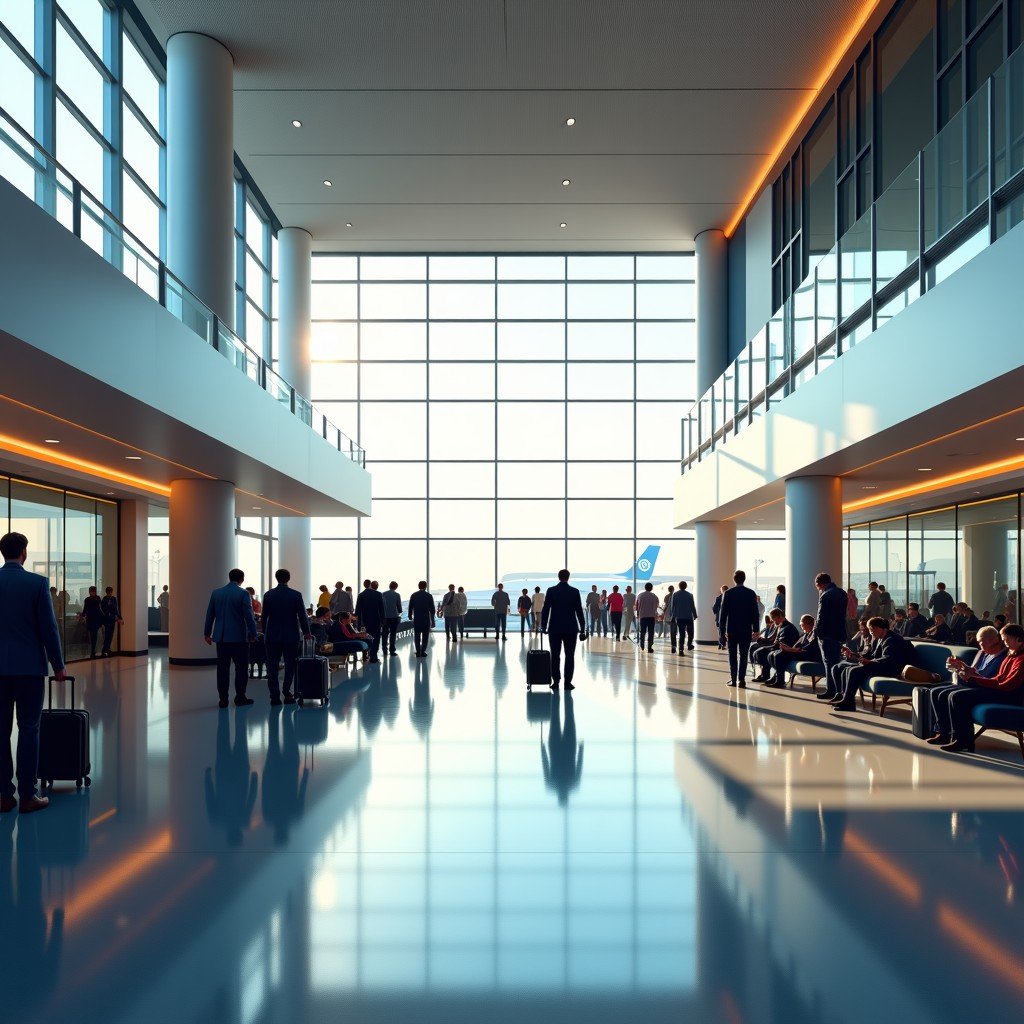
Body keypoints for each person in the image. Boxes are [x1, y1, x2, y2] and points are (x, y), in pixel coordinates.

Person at [0, 532, 66, 814]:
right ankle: (28, 795)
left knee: (0, 732)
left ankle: (4, 796)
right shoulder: (37, 584)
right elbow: (48, 629)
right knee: (29, 728)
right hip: (29, 669)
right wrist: (58, 664)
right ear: (24, 552)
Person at [937, 623, 1024, 752]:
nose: (1004, 642)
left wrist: (976, 680)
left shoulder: (1021, 658)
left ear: (1018, 639)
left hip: (1011, 697)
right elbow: (998, 679)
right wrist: (977, 679)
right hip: (1002, 691)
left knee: (958, 696)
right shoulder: (1012, 654)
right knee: (952, 695)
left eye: (1006, 639)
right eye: (1003, 639)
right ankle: (955, 737)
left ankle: (963, 741)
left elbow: (1007, 685)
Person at [925, 625, 1008, 746]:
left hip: (990, 689)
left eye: (981, 643)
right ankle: (944, 732)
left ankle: (962, 739)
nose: (980, 646)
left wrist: (970, 674)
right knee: (936, 692)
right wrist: (961, 667)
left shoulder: (1004, 656)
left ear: (993, 640)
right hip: (976, 684)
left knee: (956, 696)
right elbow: (973, 671)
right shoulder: (983, 653)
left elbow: (992, 678)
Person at [829, 616, 913, 712]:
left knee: (853, 671)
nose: (870, 632)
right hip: (880, 665)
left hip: (891, 668)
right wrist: (854, 654)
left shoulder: (892, 639)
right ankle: (844, 698)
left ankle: (848, 703)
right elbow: (870, 654)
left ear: (879, 628)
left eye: (871, 629)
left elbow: (889, 659)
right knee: (845, 668)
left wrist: (871, 662)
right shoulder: (879, 638)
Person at [204, 568, 259, 708]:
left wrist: (207, 633)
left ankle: (223, 699)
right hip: (239, 638)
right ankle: (240, 697)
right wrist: (254, 634)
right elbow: (249, 616)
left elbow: (210, 614)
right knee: (241, 669)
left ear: (229, 578)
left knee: (222, 669)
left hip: (221, 638)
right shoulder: (243, 594)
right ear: (242, 579)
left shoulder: (216, 593)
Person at [261, 569, 311, 705]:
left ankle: (274, 697)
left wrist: (264, 633)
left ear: (276, 578)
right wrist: (307, 633)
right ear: (288, 578)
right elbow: (302, 616)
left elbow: (264, 617)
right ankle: (287, 692)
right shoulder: (295, 595)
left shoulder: (268, 595)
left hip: (272, 636)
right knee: (290, 665)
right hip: (291, 636)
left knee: (272, 667)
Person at [541, 569, 587, 690]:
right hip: (571, 628)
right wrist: (583, 628)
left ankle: (555, 682)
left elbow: (546, 610)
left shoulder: (551, 591)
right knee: (570, 655)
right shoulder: (574, 592)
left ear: (558, 577)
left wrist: (543, 626)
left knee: (555, 655)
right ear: (568, 577)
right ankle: (568, 682)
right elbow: (579, 611)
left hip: (554, 628)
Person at [718, 571, 760, 688]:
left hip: (732, 630)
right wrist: (756, 629)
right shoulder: (751, 593)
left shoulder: (728, 593)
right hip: (746, 629)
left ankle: (733, 679)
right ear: (744, 579)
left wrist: (721, 632)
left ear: (734, 579)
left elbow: (723, 615)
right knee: (743, 655)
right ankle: (741, 680)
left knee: (732, 655)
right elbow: (755, 613)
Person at [812, 572, 849, 700]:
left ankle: (831, 690)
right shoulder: (842, 593)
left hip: (826, 633)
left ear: (820, 584)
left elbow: (820, 617)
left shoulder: (825, 595)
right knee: (836, 662)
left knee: (828, 663)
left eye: (818, 587)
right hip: (838, 633)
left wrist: (815, 633)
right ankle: (838, 690)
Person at [764, 614, 816, 688]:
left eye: (801, 624)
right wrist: (788, 647)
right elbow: (797, 646)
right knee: (773, 654)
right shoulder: (806, 634)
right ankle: (777, 677)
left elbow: (806, 649)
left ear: (808, 624)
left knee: (779, 655)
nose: (800, 626)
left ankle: (780, 681)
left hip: (806, 655)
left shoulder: (814, 634)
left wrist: (790, 649)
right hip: (799, 652)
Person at [750, 609, 797, 682]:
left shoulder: (787, 628)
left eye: (774, 619)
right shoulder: (781, 626)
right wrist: (759, 639)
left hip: (786, 650)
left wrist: (766, 646)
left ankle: (773, 677)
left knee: (761, 652)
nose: (773, 622)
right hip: (780, 647)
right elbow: (773, 640)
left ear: (780, 616)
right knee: (758, 650)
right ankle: (765, 675)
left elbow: (781, 643)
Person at [355, 579, 385, 662]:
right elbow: (381, 609)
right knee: (376, 638)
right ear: (371, 585)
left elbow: (358, 610)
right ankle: (373, 656)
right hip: (376, 620)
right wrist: (383, 620)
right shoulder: (378, 594)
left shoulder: (361, 595)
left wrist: (359, 623)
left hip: (365, 621)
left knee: (366, 637)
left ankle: (365, 655)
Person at [408, 581, 435, 657]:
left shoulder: (414, 595)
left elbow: (410, 607)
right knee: (425, 636)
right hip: (426, 619)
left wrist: (410, 616)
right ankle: (423, 651)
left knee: (417, 635)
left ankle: (417, 651)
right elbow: (432, 609)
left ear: (418, 586)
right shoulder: (429, 596)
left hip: (417, 619)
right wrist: (432, 620)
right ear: (426, 586)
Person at [671, 581, 697, 654]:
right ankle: (689, 645)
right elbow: (692, 606)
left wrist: (673, 616)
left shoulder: (675, 594)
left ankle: (681, 649)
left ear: (679, 586)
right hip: (688, 617)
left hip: (679, 617)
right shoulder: (690, 595)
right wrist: (695, 615)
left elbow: (673, 607)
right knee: (690, 632)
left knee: (681, 633)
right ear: (686, 586)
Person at [79, 586, 104, 659]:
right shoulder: (97, 599)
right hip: (95, 620)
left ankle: (93, 652)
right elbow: (99, 610)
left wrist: (82, 615)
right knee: (94, 637)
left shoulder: (88, 599)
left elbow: (85, 610)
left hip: (91, 620)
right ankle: (93, 651)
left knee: (93, 637)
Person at [636, 582, 660, 652]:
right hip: (651, 617)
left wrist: (637, 615)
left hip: (642, 616)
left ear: (645, 588)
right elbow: (657, 606)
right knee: (651, 632)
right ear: (651, 588)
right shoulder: (654, 596)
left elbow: (637, 607)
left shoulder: (640, 595)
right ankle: (649, 647)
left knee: (642, 632)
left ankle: (642, 645)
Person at [381, 581, 402, 656]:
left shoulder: (383, 594)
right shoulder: (397, 595)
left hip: (385, 617)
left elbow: (381, 605)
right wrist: (399, 612)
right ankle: (392, 650)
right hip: (394, 616)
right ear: (396, 587)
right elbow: (399, 607)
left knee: (384, 634)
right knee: (393, 634)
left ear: (389, 586)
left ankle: (384, 649)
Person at [100, 586, 122, 657]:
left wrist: (118, 616)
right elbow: (105, 609)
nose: (110, 593)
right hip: (108, 619)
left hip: (110, 619)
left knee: (109, 634)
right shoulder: (107, 599)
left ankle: (107, 648)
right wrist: (119, 617)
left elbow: (115, 609)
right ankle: (105, 649)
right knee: (108, 635)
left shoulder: (110, 599)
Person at [712, 584, 728, 650]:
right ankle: (722, 644)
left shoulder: (718, 598)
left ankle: (721, 644)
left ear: (722, 591)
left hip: (719, 618)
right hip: (728, 618)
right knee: (726, 632)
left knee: (720, 632)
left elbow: (714, 608)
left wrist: (717, 614)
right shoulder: (731, 597)